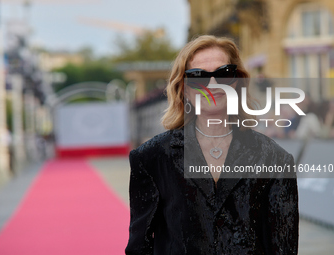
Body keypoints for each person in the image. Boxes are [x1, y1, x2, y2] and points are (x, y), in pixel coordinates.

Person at [125, 35, 299, 254]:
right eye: (198, 76)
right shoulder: (151, 158)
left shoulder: (276, 158)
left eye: (223, 73)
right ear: (184, 88)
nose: (213, 84)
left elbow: (284, 248)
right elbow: (139, 246)